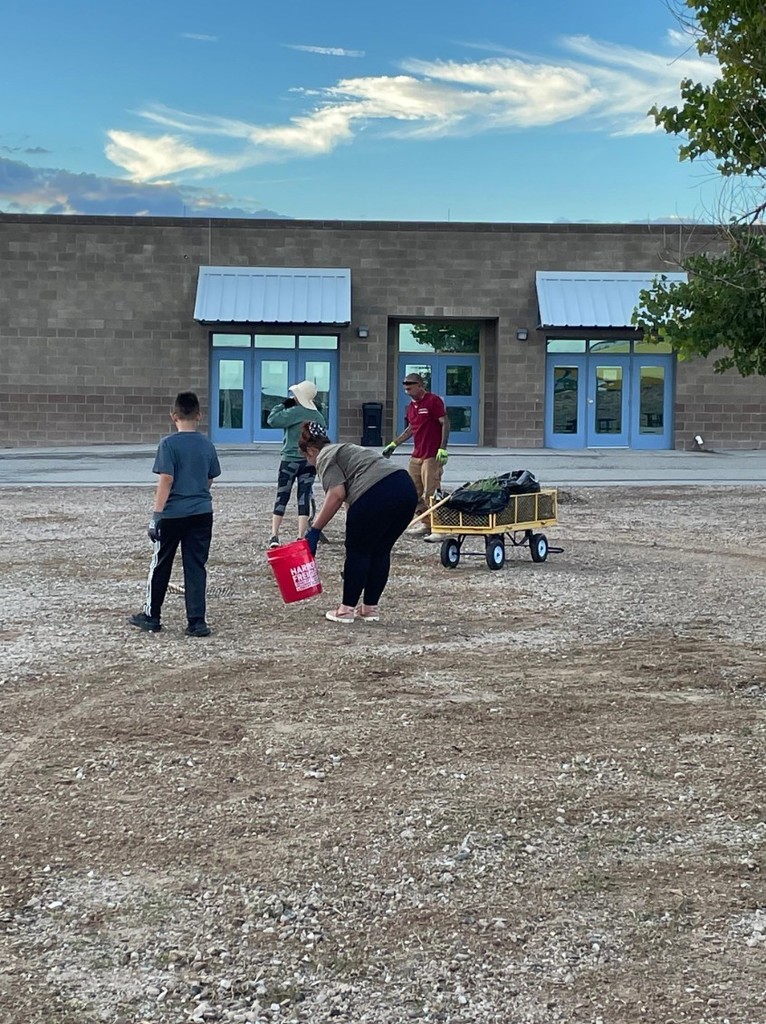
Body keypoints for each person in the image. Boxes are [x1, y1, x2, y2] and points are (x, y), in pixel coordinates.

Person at [300, 422, 417, 624]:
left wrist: (315, 530)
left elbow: (336, 495)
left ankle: (346, 610)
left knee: (358, 551)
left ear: (311, 450)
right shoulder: (346, 449)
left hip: (376, 491)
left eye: (306, 457)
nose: (309, 462)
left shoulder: (325, 457)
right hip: (405, 488)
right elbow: (350, 499)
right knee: (380, 550)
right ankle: (370, 608)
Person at [129, 391, 221, 637]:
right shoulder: (207, 444)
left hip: (172, 514)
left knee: (161, 563)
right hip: (201, 512)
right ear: (199, 415)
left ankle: (152, 615)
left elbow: (166, 480)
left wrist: (156, 515)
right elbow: (210, 477)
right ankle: (196, 621)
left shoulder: (168, 444)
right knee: (195, 565)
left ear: (174, 416)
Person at [381, 373, 449, 537]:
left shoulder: (433, 401)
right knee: (413, 494)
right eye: (405, 389)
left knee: (431, 493)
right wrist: (394, 444)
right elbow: (412, 428)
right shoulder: (412, 407)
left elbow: (445, 422)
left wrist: (443, 448)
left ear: (420, 385)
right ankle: (427, 524)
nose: (407, 392)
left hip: (431, 455)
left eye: (410, 388)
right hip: (416, 455)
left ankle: (440, 529)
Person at [266, 380, 326, 548]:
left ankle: (274, 535)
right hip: (309, 460)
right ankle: (301, 536)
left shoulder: (294, 412)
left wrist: (283, 404)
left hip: (290, 459)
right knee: (303, 496)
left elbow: (272, 420)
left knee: (282, 495)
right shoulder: (318, 415)